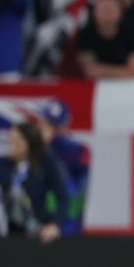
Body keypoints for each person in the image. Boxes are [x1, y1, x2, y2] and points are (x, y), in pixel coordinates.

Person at [38, 99, 90, 236]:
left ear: (65, 125)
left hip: (67, 225)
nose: (49, 129)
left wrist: (49, 142)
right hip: (40, 223)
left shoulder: (75, 149)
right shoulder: (37, 148)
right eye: (46, 123)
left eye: (54, 126)